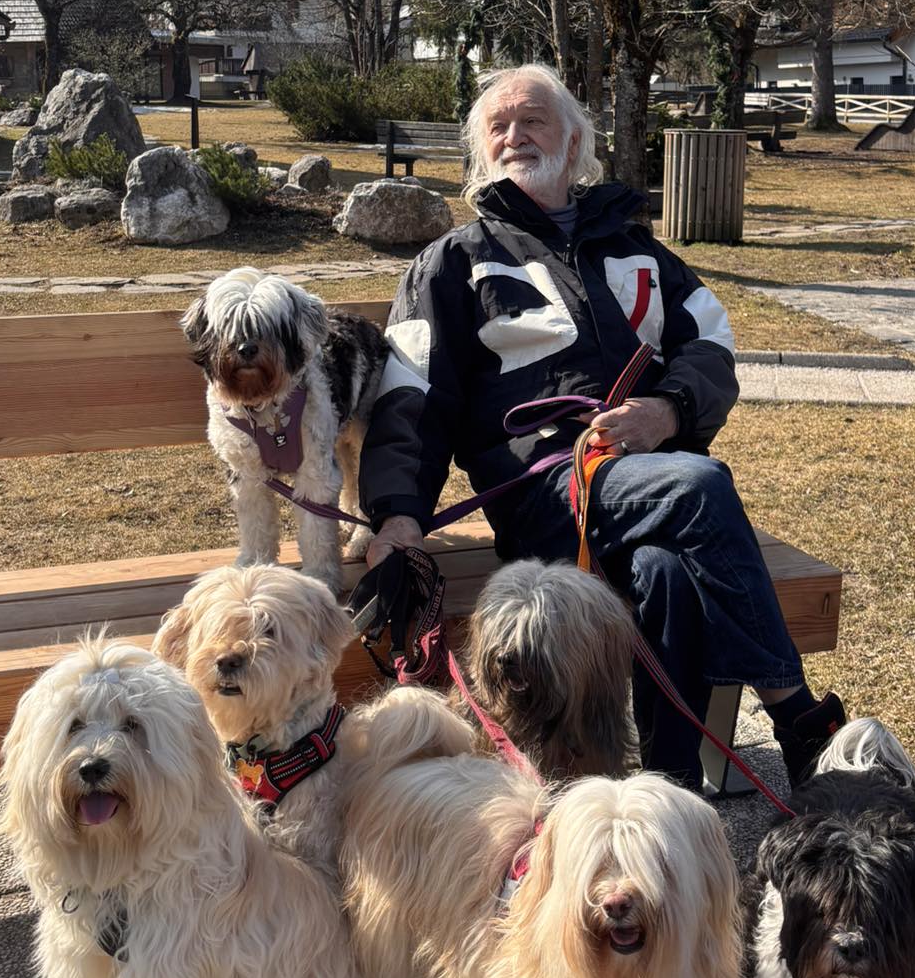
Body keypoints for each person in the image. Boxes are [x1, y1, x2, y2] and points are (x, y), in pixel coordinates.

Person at [359, 63, 846, 790]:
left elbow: (710, 346)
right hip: (542, 492)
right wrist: (398, 516)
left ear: (574, 139)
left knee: (666, 574)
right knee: (700, 486)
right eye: (498, 126)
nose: (515, 136)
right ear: (481, 149)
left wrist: (668, 410)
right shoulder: (453, 262)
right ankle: (799, 718)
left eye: (533, 120)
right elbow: (412, 395)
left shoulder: (638, 249)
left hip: (642, 481)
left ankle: (670, 791)